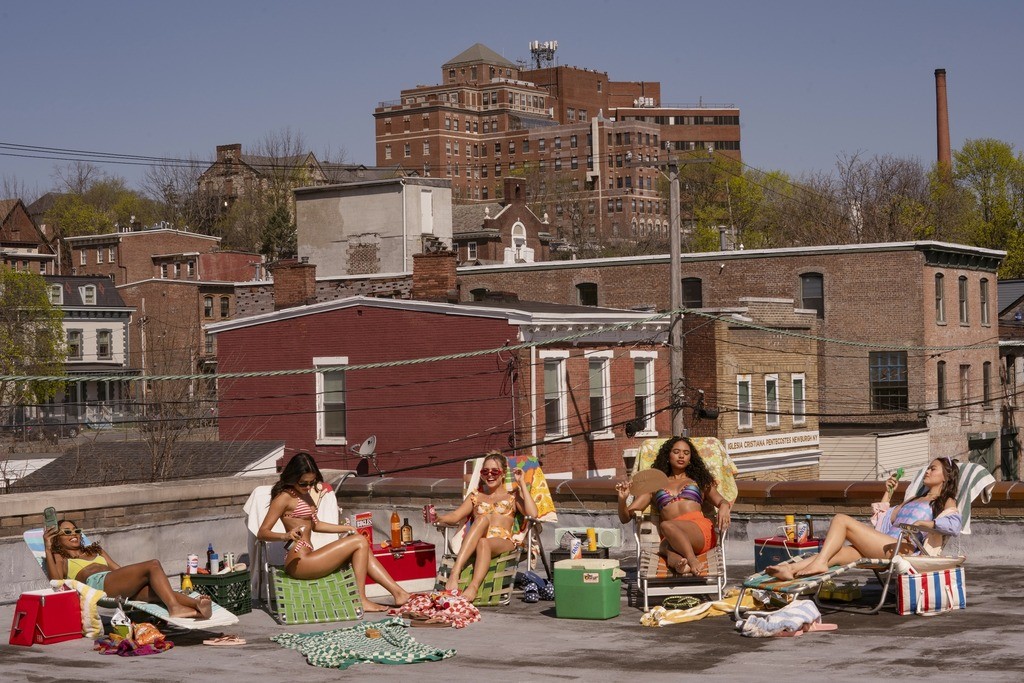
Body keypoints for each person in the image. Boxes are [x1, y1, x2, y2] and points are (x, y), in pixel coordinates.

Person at [257, 452, 410, 613]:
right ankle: (361, 600)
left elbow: (315, 525)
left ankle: (398, 593)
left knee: (361, 544)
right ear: (293, 477)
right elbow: (262, 532)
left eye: (312, 482)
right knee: (359, 541)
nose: (308, 487)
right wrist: (285, 535)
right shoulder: (284, 498)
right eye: (303, 483)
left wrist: (346, 528)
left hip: (310, 557)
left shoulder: (304, 494)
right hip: (299, 562)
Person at [766, 457, 962, 581]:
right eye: (928, 468)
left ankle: (819, 563)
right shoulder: (914, 498)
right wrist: (888, 492)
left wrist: (924, 524)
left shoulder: (945, 501)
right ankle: (790, 569)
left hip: (902, 549)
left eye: (933, 469)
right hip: (886, 544)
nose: (927, 471)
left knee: (841, 519)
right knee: (837, 553)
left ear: (946, 477)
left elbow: (953, 525)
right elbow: (883, 522)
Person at [45, 520, 212, 620]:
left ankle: (196, 606)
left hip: (114, 581)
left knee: (155, 591)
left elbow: (118, 570)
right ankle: (175, 608)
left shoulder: (95, 551)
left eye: (77, 530)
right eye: (67, 532)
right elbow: (56, 581)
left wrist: (134, 579)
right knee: (153, 564)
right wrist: (48, 548)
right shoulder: (61, 557)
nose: (74, 534)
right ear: (58, 538)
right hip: (98, 586)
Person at [617, 436, 732, 576]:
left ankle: (691, 560)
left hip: (699, 532)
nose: (681, 455)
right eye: (676, 451)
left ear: (691, 458)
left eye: (686, 452)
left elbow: (722, 501)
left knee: (666, 526)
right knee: (665, 546)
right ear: (668, 455)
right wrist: (622, 500)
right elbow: (625, 517)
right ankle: (680, 565)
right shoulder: (655, 485)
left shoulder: (699, 481)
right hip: (673, 538)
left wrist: (724, 507)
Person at [433, 451, 538, 602]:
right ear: (481, 474)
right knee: (482, 530)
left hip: (503, 542)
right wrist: (439, 517)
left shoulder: (512, 496)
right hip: (477, 543)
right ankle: (455, 573)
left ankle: (473, 586)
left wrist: (521, 483)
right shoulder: (475, 496)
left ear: (503, 474)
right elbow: (456, 516)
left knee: (484, 538)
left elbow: (533, 514)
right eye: (485, 471)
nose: (490, 475)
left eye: (495, 471)